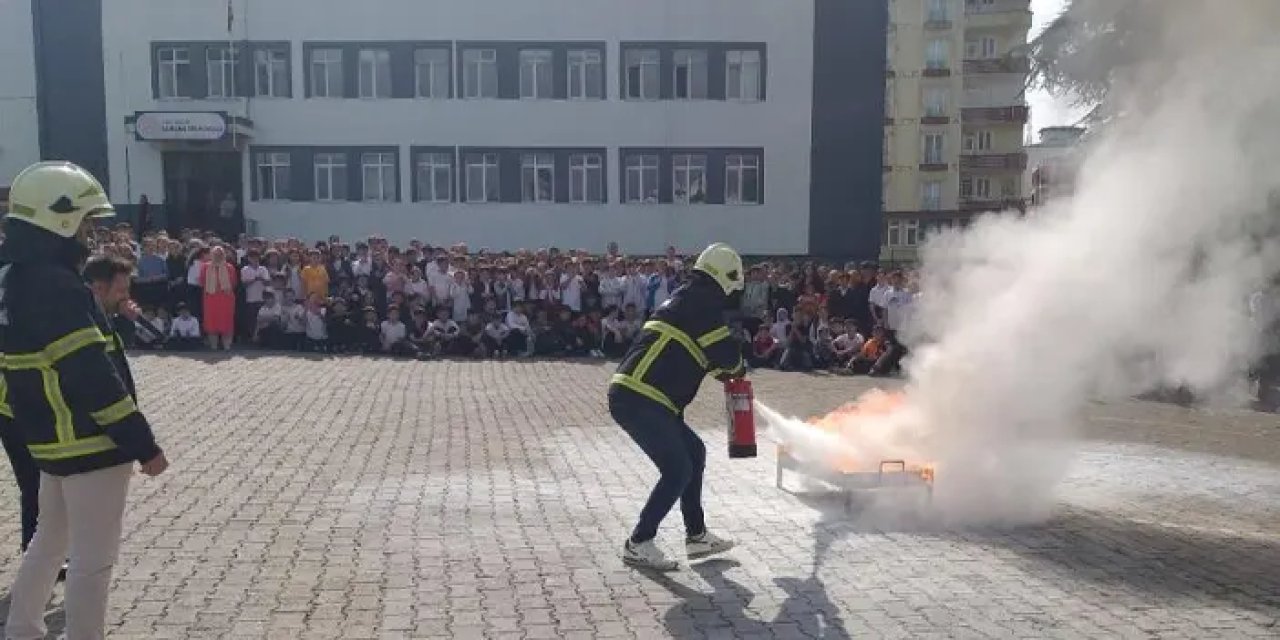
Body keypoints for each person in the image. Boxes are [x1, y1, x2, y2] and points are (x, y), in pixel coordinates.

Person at [0, 161, 168, 640]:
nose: (90, 233)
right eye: (85, 222)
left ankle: (22, 628)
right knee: (92, 562)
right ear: (60, 219)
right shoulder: (56, 285)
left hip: (51, 439)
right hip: (89, 440)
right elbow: (91, 374)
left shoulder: (15, 278)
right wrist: (142, 443)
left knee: (48, 542)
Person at [608, 242, 745, 571]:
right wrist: (738, 368)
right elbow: (726, 358)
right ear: (725, 277)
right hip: (641, 397)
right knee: (678, 469)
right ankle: (639, 541)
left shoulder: (690, 297)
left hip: (645, 397)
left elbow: (709, 361)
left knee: (694, 452)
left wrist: (727, 371)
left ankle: (696, 536)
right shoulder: (703, 301)